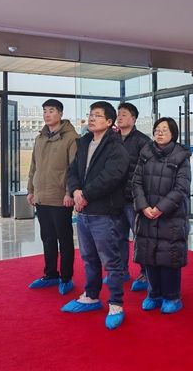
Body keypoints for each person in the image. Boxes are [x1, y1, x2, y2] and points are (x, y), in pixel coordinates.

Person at [62, 101, 129, 330]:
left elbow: (112, 176)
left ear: (109, 122)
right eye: (91, 114)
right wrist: (75, 191)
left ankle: (116, 303)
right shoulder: (83, 143)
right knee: (89, 257)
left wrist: (85, 194)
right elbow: (72, 171)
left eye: (98, 115)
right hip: (84, 211)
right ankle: (91, 296)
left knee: (111, 261)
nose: (92, 118)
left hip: (104, 212)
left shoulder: (116, 146)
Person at [132, 117, 191, 314]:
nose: (160, 133)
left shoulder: (181, 156)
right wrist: (143, 206)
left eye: (165, 129)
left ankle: (172, 297)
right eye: (157, 129)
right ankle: (153, 294)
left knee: (169, 257)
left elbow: (181, 188)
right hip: (147, 214)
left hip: (170, 216)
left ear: (173, 133)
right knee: (149, 255)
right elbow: (136, 183)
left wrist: (160, 208)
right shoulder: (146, 153)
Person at [27, 99, 78, 295]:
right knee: (47, 237)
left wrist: (69, 192)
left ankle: (66, 277)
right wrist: (31, 190)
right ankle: (50, 274)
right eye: (44, 111)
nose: (47, 114)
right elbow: (34, 166)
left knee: (64, 239)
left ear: (60, 114)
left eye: (51, 111)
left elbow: (74, 168)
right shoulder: (40, 138)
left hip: (60, 197)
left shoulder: (71, 138)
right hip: (41, 196)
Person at [112, 102, 151, 291]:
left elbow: (148, 172)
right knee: (118, 237)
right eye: (118, 114)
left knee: (140, 237)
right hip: (115, 199)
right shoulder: (112, 139)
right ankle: (121, 271)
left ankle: (145, 273)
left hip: (133, 199)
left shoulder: (143, 141)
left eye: (124, 114)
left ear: (133, 119)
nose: (120, 117)